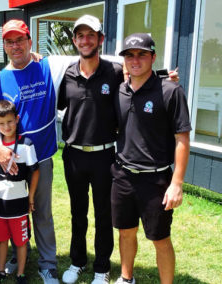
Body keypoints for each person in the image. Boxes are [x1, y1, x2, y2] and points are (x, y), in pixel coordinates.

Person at [0, 19, 75, 284]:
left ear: (30, 42)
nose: (15, 46)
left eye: (20, 40)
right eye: (9, 42)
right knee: (14, 209)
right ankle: (17, 254)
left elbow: (88, 57)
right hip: (11, 159)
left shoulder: (49, 65)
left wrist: (134, 68)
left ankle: (47, 265)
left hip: (43, 155)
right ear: (4, 45)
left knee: (41, 212)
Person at [112, 33, 191, 284]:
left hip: (156, 179)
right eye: (129, 55)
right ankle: (126, 278)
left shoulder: (170, 91)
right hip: (123, 174)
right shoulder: (120, 91)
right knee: (125, 232)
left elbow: (182, 139)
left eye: (142, 54)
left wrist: (176, 183)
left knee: (160, 238)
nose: (135, 60)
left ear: (153, 57)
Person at [57, 15, 124, 284]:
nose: (85, 40)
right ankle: (77, 262)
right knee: (77, 212)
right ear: (74, 41)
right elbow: (59, 103)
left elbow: (141, 83)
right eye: (80, 36)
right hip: (74, 154)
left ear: (100, 39)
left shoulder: (116, 72)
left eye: (91, 35)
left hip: (105, 155)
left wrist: (167, 78)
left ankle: (101, 267)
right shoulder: (67, 74)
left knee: (103, 214)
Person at [0, 100, 39, 284]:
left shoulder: (26, 144)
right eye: (1, 123)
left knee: (21, 242)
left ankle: (21, 274)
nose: (6, 126)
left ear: (17, 120)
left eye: (10, 121)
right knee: (1, 240)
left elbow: (35, 171)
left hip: (19, 206)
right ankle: (1, 272)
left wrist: (31, 196)